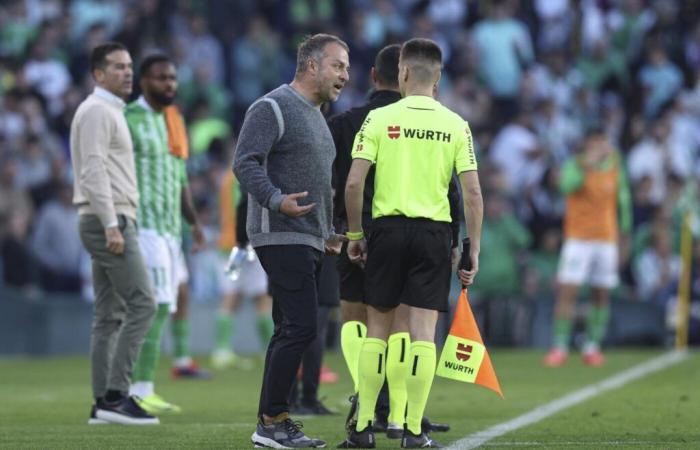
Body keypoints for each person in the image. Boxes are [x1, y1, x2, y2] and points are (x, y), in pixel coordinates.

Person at [340, 38, 483, 449]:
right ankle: (414, 431)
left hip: (386, 230)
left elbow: (354, 182)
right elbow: (472, 194)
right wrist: (473, 247)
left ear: (402, 73)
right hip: (434, 234)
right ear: (437, 78)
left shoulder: (380, 119)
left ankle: (364, 428)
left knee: (378, 331)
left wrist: (354, 235)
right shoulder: (456, 124)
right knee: (422, 334)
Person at [233, 33, 349, 449]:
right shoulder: (271, 106)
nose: (345, 75)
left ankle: (273, 421)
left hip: (308, 238)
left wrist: (327, 232)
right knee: (301, 326)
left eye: (348, 68)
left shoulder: (318, 115)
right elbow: (244, 162)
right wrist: (275, 200)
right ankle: (272, 421)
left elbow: (318, 185)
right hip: (279, 234)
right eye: (338, 65)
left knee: (291, 328)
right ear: (312, 65)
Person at [71, 42, 158, 425]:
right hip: (108, 219)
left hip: (108, 218)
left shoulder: (107, 111)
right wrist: (110, 223)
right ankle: (117, 396)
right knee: (144, 303)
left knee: (109, 315)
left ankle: (101, 403)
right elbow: (92, 171)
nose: (127, 72)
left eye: (129, 66)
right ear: (98, 74)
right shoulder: (96, 112)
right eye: (118, 67)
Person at [124, 53, 207, 413]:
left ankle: (141, 386)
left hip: (171, 230)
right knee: (153, 306)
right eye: (161, 78)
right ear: (143, 82)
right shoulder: (129, 119)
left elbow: (180, 178)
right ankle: (138, 387)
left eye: (172, 78)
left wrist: (193, 220)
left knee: (168, 303)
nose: (169, 84)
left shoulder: (173, 119)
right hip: (143, 227)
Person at [544, 127, 632, 367]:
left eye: (603, 141)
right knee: (568, 291)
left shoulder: (615, 165)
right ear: (587, 144)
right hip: (578, 239)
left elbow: (623, 199)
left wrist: (626, 233)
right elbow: (566, 186)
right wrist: (587, 165)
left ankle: (592, 346)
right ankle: (559, 346)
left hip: (606, 239)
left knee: (601, 293)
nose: (600, 146)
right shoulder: (575, 164)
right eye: (595, 142)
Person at [211, 172, 273, 369]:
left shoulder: (227, 177)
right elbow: (245, 209)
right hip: (247, 244)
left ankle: (221, 350)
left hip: (228, 245)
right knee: (262, 297)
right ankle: (269, 350)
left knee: (231, 295)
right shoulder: (250, 175)